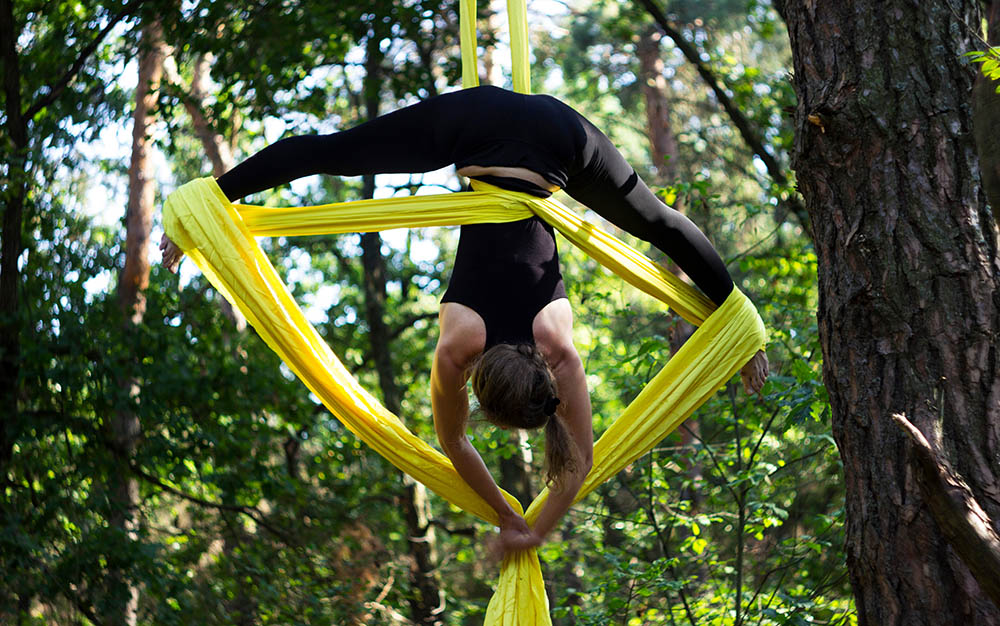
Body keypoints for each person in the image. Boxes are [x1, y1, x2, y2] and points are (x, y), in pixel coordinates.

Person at [160, 85, 769, 557]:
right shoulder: (458, 349)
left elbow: (570, 464)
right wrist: (514, 523)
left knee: (334, 150)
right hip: (500, 132)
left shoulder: (557, 351)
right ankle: (209, 198)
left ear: (544, 390)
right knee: (336, 153)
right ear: (480, 383)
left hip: (552, 138)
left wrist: (738, 320)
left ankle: (212, 196)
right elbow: (455, 441)